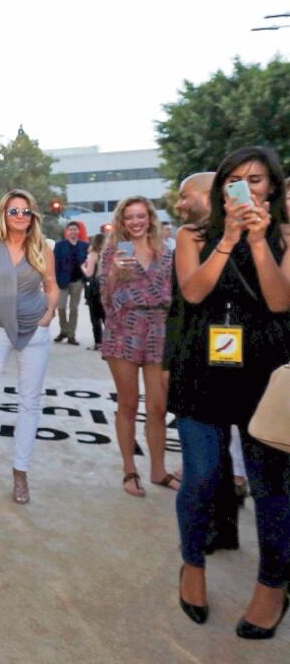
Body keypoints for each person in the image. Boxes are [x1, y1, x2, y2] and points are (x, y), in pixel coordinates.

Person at [170, 146, 290, 638]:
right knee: (201, 476)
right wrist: (229, 239)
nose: (245, 188)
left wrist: (259, 243)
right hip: (201, 371)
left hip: (263, 375)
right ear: (222, 190)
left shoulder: (285, 236)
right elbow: (194, 292)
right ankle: (191, 564)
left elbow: (280, 301)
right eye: (234, 180)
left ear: (273, 189)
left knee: (270, 488)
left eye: (256, 180)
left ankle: (272, 586)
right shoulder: (192, 235)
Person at [0, 190, 58, 506]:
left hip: (35, 332)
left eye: (25, 211)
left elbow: (52, 286)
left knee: (29, 402)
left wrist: (47, 315)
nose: (19, 216)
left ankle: (21, 473)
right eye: (13, 211)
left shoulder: (44, 248)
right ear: (3, 214)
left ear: (33, 216)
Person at [170, 172, 244, 551]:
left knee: (235, 464)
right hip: (197, 364)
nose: (179, 204)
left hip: (249, 362)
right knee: (202, 467)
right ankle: (195, 554)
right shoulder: (190, 238)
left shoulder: (260, 237)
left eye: (186, 196)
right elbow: (188, 298)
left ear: (209, 195)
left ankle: (224, 530)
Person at [99, 196, 177, 498]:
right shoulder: (113, 253)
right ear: (122, 221)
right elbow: (105, 299)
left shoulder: (167, 253)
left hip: (159, 331)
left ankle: (158, 470)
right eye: (129, 217)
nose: (135, 222)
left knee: (158, 408)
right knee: (128, 405)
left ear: (150, 218)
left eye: (140, 216)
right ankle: (129, 469)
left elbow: (176, 295)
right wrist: (115, 271)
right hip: (123, 331)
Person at [53, 221, 89, 344]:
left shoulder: (85, 246)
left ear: (79, 231)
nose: (73, 231)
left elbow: (88, 263)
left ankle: (71, 335)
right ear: (67, 232)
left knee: (74, 309)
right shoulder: (59, 245)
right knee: (61, 307)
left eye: (75, 229)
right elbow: (55, 263)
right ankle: (64, 330)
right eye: (71, 229)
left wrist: (85, 279)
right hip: (62, 281)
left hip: (78, 282)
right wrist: (54, 280)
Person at [81, 233, 106, 351]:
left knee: (95, 316)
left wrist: (82, 266)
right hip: (106, 286)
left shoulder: (93, 254)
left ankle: (99, 342)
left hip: (95, 288)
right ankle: (111, 341)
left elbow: (89, 273)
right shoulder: (107, 254)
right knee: (106, 316)